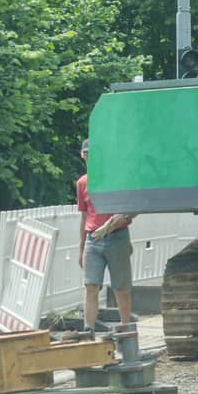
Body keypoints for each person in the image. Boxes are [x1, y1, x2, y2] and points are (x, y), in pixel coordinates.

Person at [76, 139, 134, 331]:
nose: (90, 158)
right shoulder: (82, 183)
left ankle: (125, 328)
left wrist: (119, 220)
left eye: (93, 154)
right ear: (82, 156)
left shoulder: (115, 179)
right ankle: (88, 330)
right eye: (87, 154)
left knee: (120, 287)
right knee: (91, 286)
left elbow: (132, 206)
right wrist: (81, 246)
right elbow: (84, 216)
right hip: (94, 238)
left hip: (117, 236)